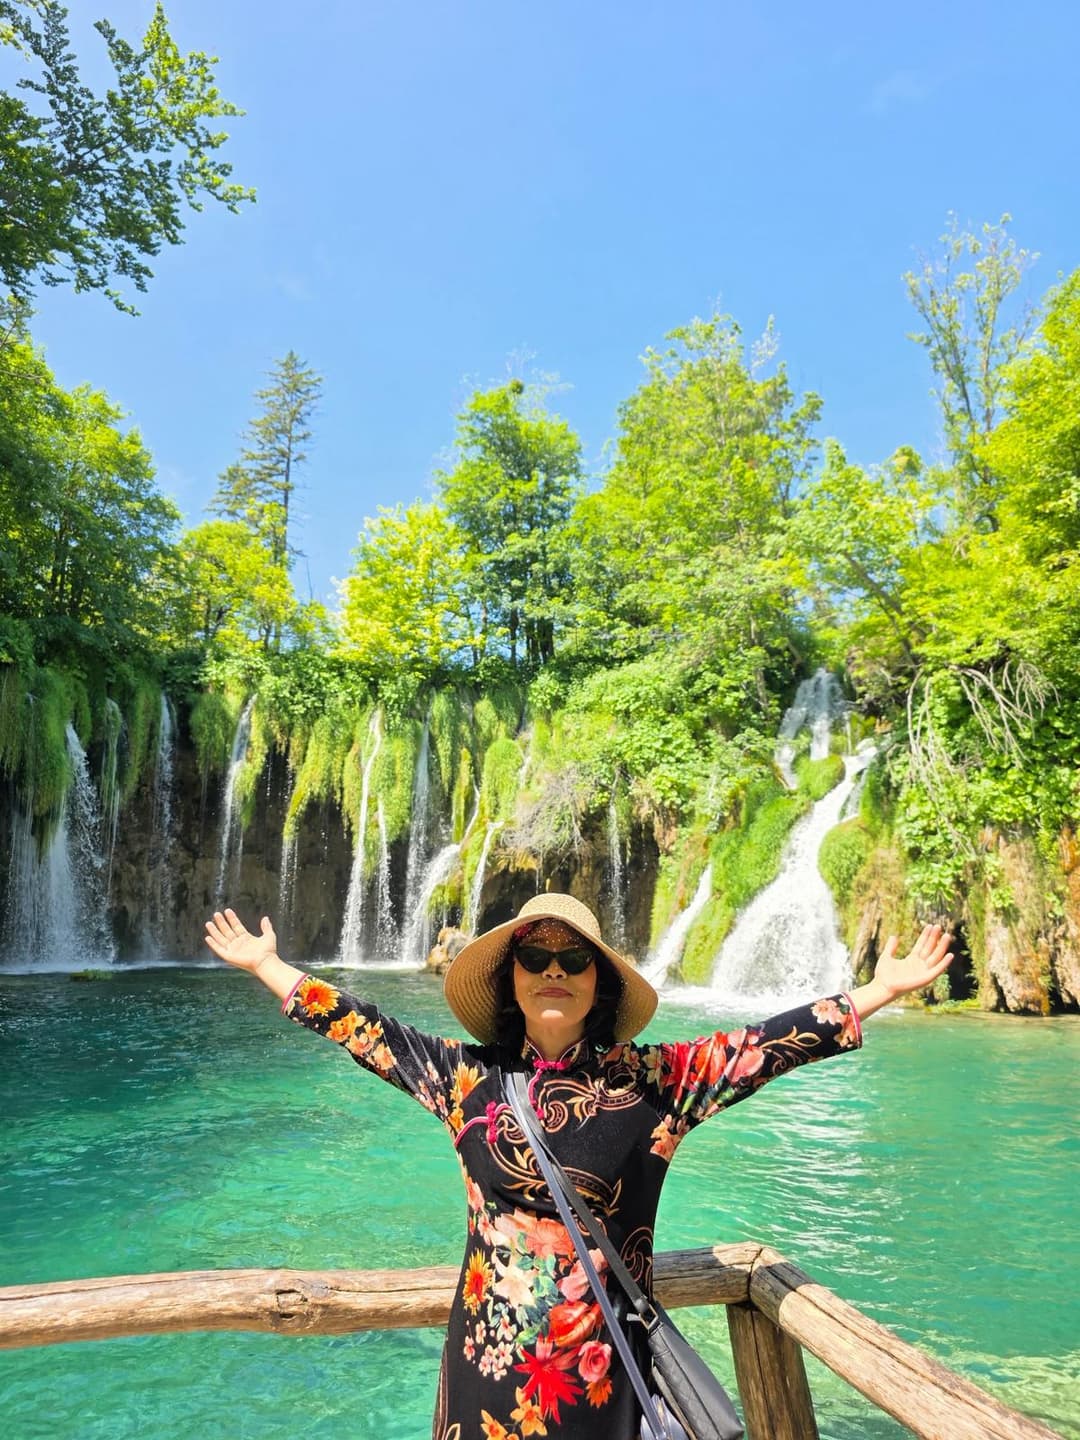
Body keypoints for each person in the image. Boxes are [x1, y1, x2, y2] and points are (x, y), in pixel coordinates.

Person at [204, 893, 953, 1440]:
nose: (552, 972)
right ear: (512, 979)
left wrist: (880, 992)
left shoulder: (662, 1082)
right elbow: (366, 1030)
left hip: (606, 1370)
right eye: (535, 957)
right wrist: (269, 967)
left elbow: (765, 1044)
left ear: (600, 981)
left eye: (573, 960)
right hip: (486, 1367)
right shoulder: (466, 1080)